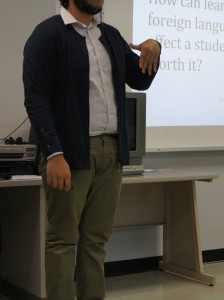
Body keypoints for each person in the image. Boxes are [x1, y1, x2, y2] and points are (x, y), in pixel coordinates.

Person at [23, 0, 161, 299]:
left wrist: (154, 50)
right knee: (62, 241)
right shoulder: (47, 35)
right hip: (69, 154)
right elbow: (36, 99)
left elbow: (139, 81)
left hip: (111, 152)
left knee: (96, 241)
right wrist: (55, 153)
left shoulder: (110, 35)